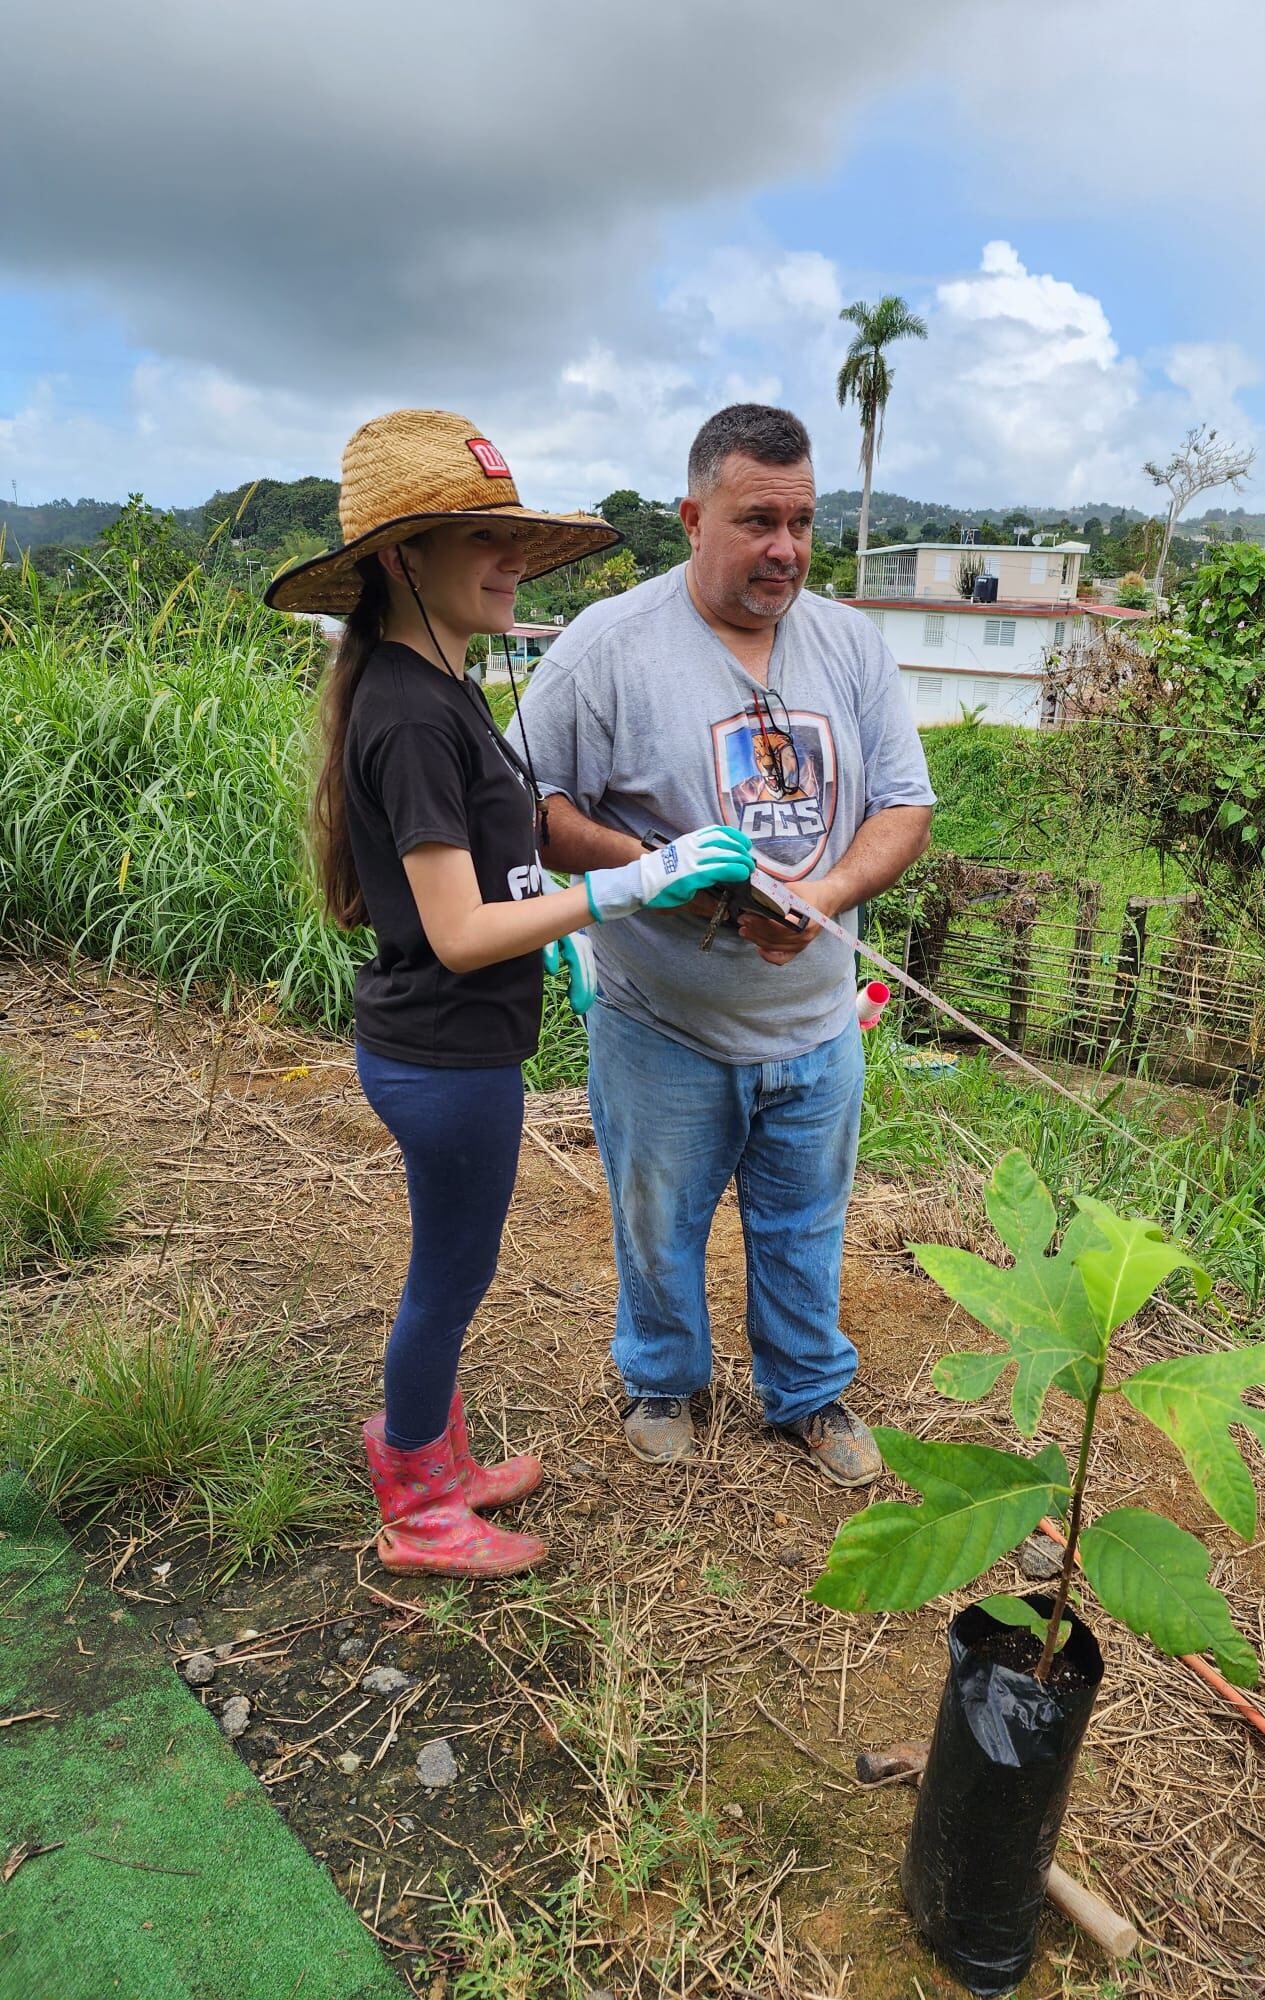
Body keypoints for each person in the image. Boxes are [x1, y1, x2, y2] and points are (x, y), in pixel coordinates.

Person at [265, 408, 754, 1576]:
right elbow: (459, 929)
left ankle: (435, 1460)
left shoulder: (439, 684)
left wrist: (558, 936)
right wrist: (631, 885)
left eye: (515, 542)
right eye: (482, 542)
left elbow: (491, 877)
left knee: (453, 1265)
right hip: (442, 1059)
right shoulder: (409, 709)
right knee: (449, 1275)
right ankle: (416, 1501)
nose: (510, 563)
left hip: (453, 1042)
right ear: (400, 561)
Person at [509, 403, 934, 1485]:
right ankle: (663, 1378)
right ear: (693, 516)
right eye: (756, 521)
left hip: (818, 1021)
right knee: (658, 1218)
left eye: (800, 522)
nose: (784, 548)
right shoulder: (608, 645)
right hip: (665, 1021)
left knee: (805, 1226)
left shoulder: (850, 644)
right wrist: (681, 883)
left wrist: (823, 895)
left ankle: (807, 1394)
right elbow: (524, 800)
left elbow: (903, 808)